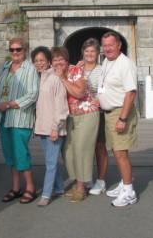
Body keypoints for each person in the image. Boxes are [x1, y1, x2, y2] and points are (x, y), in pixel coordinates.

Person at [0, 38, 39, 204]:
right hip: (3, 117)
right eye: (12, 50)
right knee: (10, 154)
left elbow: (32, 95)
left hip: (19, 117)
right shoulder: (6, 67)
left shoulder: (30, 69)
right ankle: (16, 187)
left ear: (25, 50)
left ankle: (30, 188)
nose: (15, 53)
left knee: (21, 153)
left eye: (18, 49)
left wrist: (10, 104)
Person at [52, 47, 99, 203]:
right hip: (69, 117)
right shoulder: (53, 74)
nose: (58, 62)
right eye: (55, 59)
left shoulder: (76, 70)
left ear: (67, 60)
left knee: (81, 150)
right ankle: (78, 181)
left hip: (86, 114)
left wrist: (63, 79)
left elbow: (80, 93)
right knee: (68, 151)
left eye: (61, 59)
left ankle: (81, 187)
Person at [97, 31, 138, 207]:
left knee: (121, 153)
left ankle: (129, 192)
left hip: (120, 112)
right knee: (116, 150)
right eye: (105, 45)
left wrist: (122, 118)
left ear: (119, 45)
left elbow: (131, 92)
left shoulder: (125, 64)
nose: (107, 49)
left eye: (110, 45)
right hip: (109, 113)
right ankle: (124, 184)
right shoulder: (107, 61)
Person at [31, 46, 69, 207]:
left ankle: (46, 195)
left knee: (51, 163)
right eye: (36, 60)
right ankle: (59, 187)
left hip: (53, 128)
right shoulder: (39, 78)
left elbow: (60, 106)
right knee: (50, 160)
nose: (39, 63)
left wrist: (56, 127)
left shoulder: (55, 78)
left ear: (48, 61)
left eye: (42, 60)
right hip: (42, 126)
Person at [78, 38, 109, 196]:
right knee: (84, 146)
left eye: (93, 51)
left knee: (99, 146)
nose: (89, 54)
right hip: (80, 113)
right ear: (83, 52)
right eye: (87, 51)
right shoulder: (78, 68)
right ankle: (86, 176)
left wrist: (100, 100)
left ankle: (101, 180)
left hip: (97, 113)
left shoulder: (102, 69)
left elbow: (106, 90)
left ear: (98, 53)